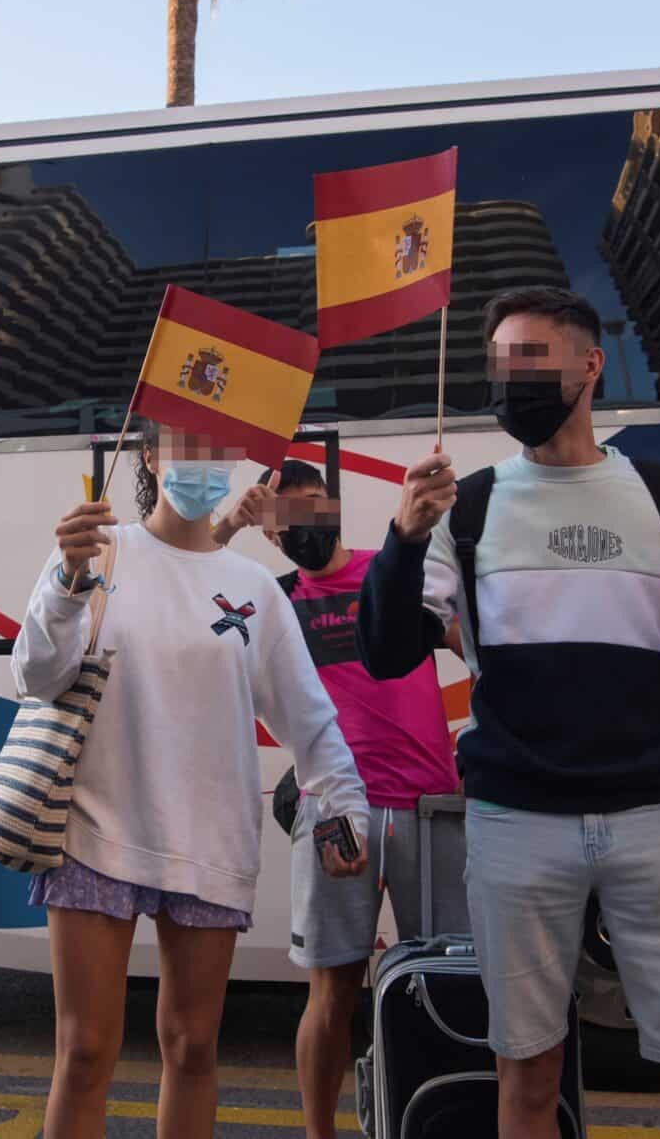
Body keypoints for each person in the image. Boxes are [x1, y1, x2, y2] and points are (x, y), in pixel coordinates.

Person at [359, 286, 660, 1139]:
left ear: (589, 365)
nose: (511, 380)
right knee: (524, 1080)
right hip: (517, 821)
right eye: (500, 364)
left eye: (532, 359)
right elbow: (386, 650)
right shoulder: (468, 509)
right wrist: (403, 540)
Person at [14, 420, 371, 1139]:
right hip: (95, 831)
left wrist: (344, 808)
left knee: (193, 1046)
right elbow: (36, 676)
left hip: (210, 841)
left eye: (218, 446)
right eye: (184, 443)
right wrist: (63, 583)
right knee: (84, 1052)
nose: (203, 461)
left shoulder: (253, 589)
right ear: (149, 454)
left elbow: (311, 722)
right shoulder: (100, 549)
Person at [213, 459, 466, 1139]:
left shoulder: (394, 575)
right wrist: (236, 519)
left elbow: (475, 647)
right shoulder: (276, 601)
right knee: (331, 993)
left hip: (430, 807)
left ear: (332, 504)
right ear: (273, 536)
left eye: (310, 504)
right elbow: (194, 587)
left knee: (443, 981)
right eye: (283, 516)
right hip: (338, 816)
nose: (301, 522)